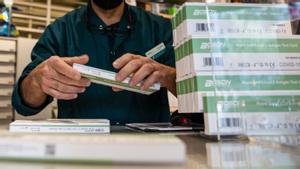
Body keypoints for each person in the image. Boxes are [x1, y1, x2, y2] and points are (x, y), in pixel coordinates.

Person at [12, 0, 176, 125]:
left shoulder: (161, 29)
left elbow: (198, 93)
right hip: (79, 150)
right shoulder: (60, 31)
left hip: (150, 149)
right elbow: (25, 104)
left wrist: (167, 75)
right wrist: (36, 80)